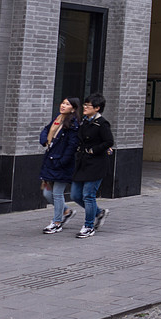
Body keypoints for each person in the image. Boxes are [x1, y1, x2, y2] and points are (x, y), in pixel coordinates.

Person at [71, 92, 114, 238]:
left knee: (88, 195)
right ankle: (99, 213)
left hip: (96, 163)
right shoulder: (84, 121)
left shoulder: (102, 123)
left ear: (97, 108)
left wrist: (93, 150)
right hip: (82, 162)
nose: (85, 107)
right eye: (85, 104)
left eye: (88, 105)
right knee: (76, 195)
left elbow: (109, 142)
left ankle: (89, 226)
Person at [39, 97, 81, 234]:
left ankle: (57, 222)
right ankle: (66, 211)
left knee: (57, 193)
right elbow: (46, 130)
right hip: (50, 161)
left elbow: (72, 146)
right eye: (62, 103)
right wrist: (44, 140)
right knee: (47, 193)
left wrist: (62, 161)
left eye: (67, 104)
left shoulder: (73, 124)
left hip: (62, 163)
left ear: (73, 109)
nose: (63, 105)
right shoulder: (58, 119)